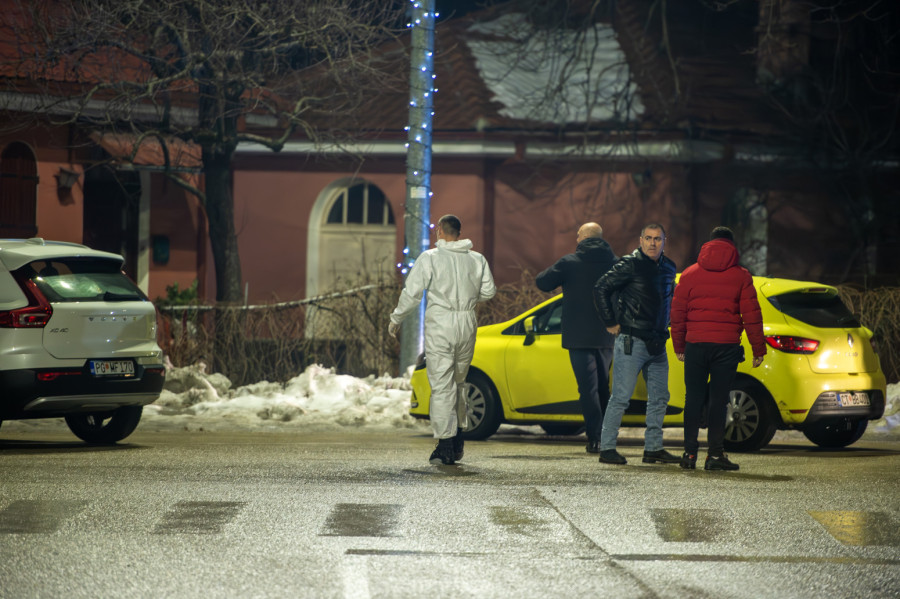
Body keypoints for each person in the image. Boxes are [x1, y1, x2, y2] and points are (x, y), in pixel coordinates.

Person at [389, 214, 496, 466]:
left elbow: (412, 293)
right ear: (459, 232)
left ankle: (446, 444)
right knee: (459, 382)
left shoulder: (430, 258)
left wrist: (396, 317)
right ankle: (457, 438)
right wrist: (468, 298)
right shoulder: (477, 259)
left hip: (441, 323)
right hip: (467, 322)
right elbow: (489, 291)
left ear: (439, 230)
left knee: (441, 385)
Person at [670, 226, 766, 471]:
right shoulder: (741, 276)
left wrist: (679, 345)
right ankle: (714, 455)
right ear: (732, 246)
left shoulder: (689, 274)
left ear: (708, 244)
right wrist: (758, 349)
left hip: (695, 345)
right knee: (719, 400)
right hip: (726, 347)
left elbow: (677, 314)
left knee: (693, 399)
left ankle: (689, 454)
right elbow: (752, 315)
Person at [594, 223, 678, 465]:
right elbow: (600, 287)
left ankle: (653, 448)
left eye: (657, 239)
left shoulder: (669, 267)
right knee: (620, 397)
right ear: (640, 240)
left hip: (658, 342)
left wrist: (668, 322)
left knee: (660, 398)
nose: (653, 243)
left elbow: (668, 298)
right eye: (648, 238)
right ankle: (607, 448)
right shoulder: (629, 264)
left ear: (664, 241)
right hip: (632, 341)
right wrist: (610, 321)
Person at [535, 222, 617, 453]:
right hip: (607, 334)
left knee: (588, 389)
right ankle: (606, 437)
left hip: (578, 337)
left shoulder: (570, 263)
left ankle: (595, 438)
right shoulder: (616, 263)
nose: (576, 239)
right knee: (603, 387)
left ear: (584, 237)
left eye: (578, 235)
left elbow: (542, 282)